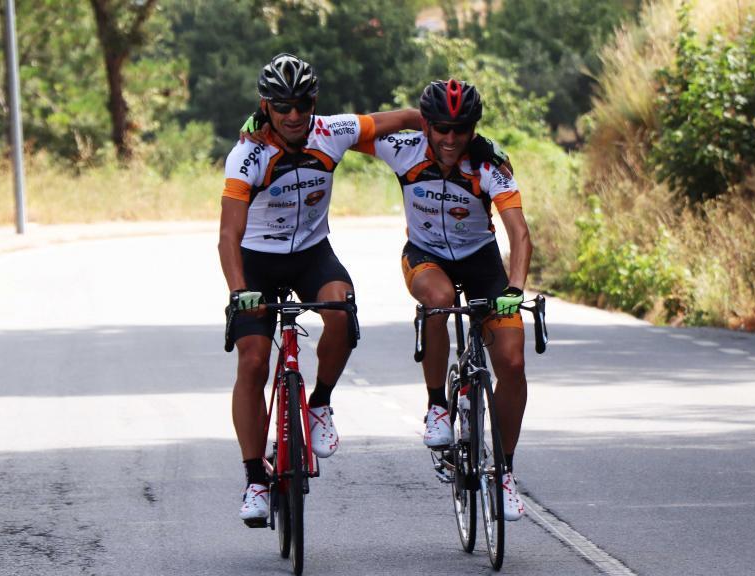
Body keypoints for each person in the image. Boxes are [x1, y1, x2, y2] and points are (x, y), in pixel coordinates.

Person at [219, 53, 420, 525]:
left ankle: (320, 404)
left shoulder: (332, 132)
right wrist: (237, 291)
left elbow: (401, 120)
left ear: (314, 103)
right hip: (257, 262)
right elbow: (228, 235)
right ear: (265, 106)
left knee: (342, 312)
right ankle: (254, 477)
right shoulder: (247, 155)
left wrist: (448, 126)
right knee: (252, 361)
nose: (292, 115)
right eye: (281, 105)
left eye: (301, 104)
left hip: (312, 254)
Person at [354, 79, 532, 521]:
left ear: (474, 128)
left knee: (511, 362)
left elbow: (519, 233)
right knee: (439, 298)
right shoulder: (405, 149)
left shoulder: (491, 165)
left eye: (461, 129)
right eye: (441, 128)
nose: (450, 139)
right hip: (426, 257)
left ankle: (505, 472)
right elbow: (343, 133)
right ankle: (437, 406)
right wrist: (269, 129)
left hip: (482, 263)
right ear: (427, 125)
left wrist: (513, 290)